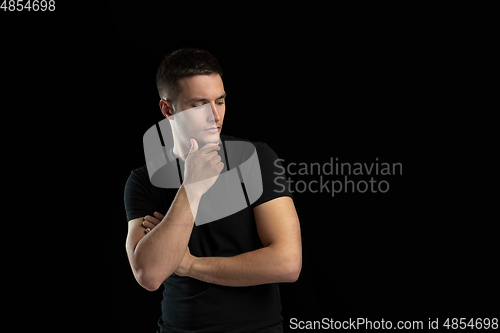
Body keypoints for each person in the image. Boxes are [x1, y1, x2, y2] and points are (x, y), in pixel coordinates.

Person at [124, 48, 302, 333]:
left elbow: (287, 263)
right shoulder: (144, 180)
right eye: (199, 105)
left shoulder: (256, 158)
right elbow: (149, 274)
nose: (215, 115)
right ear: (168, 109)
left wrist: (188, 265)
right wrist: (191, 187)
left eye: (220, 101)